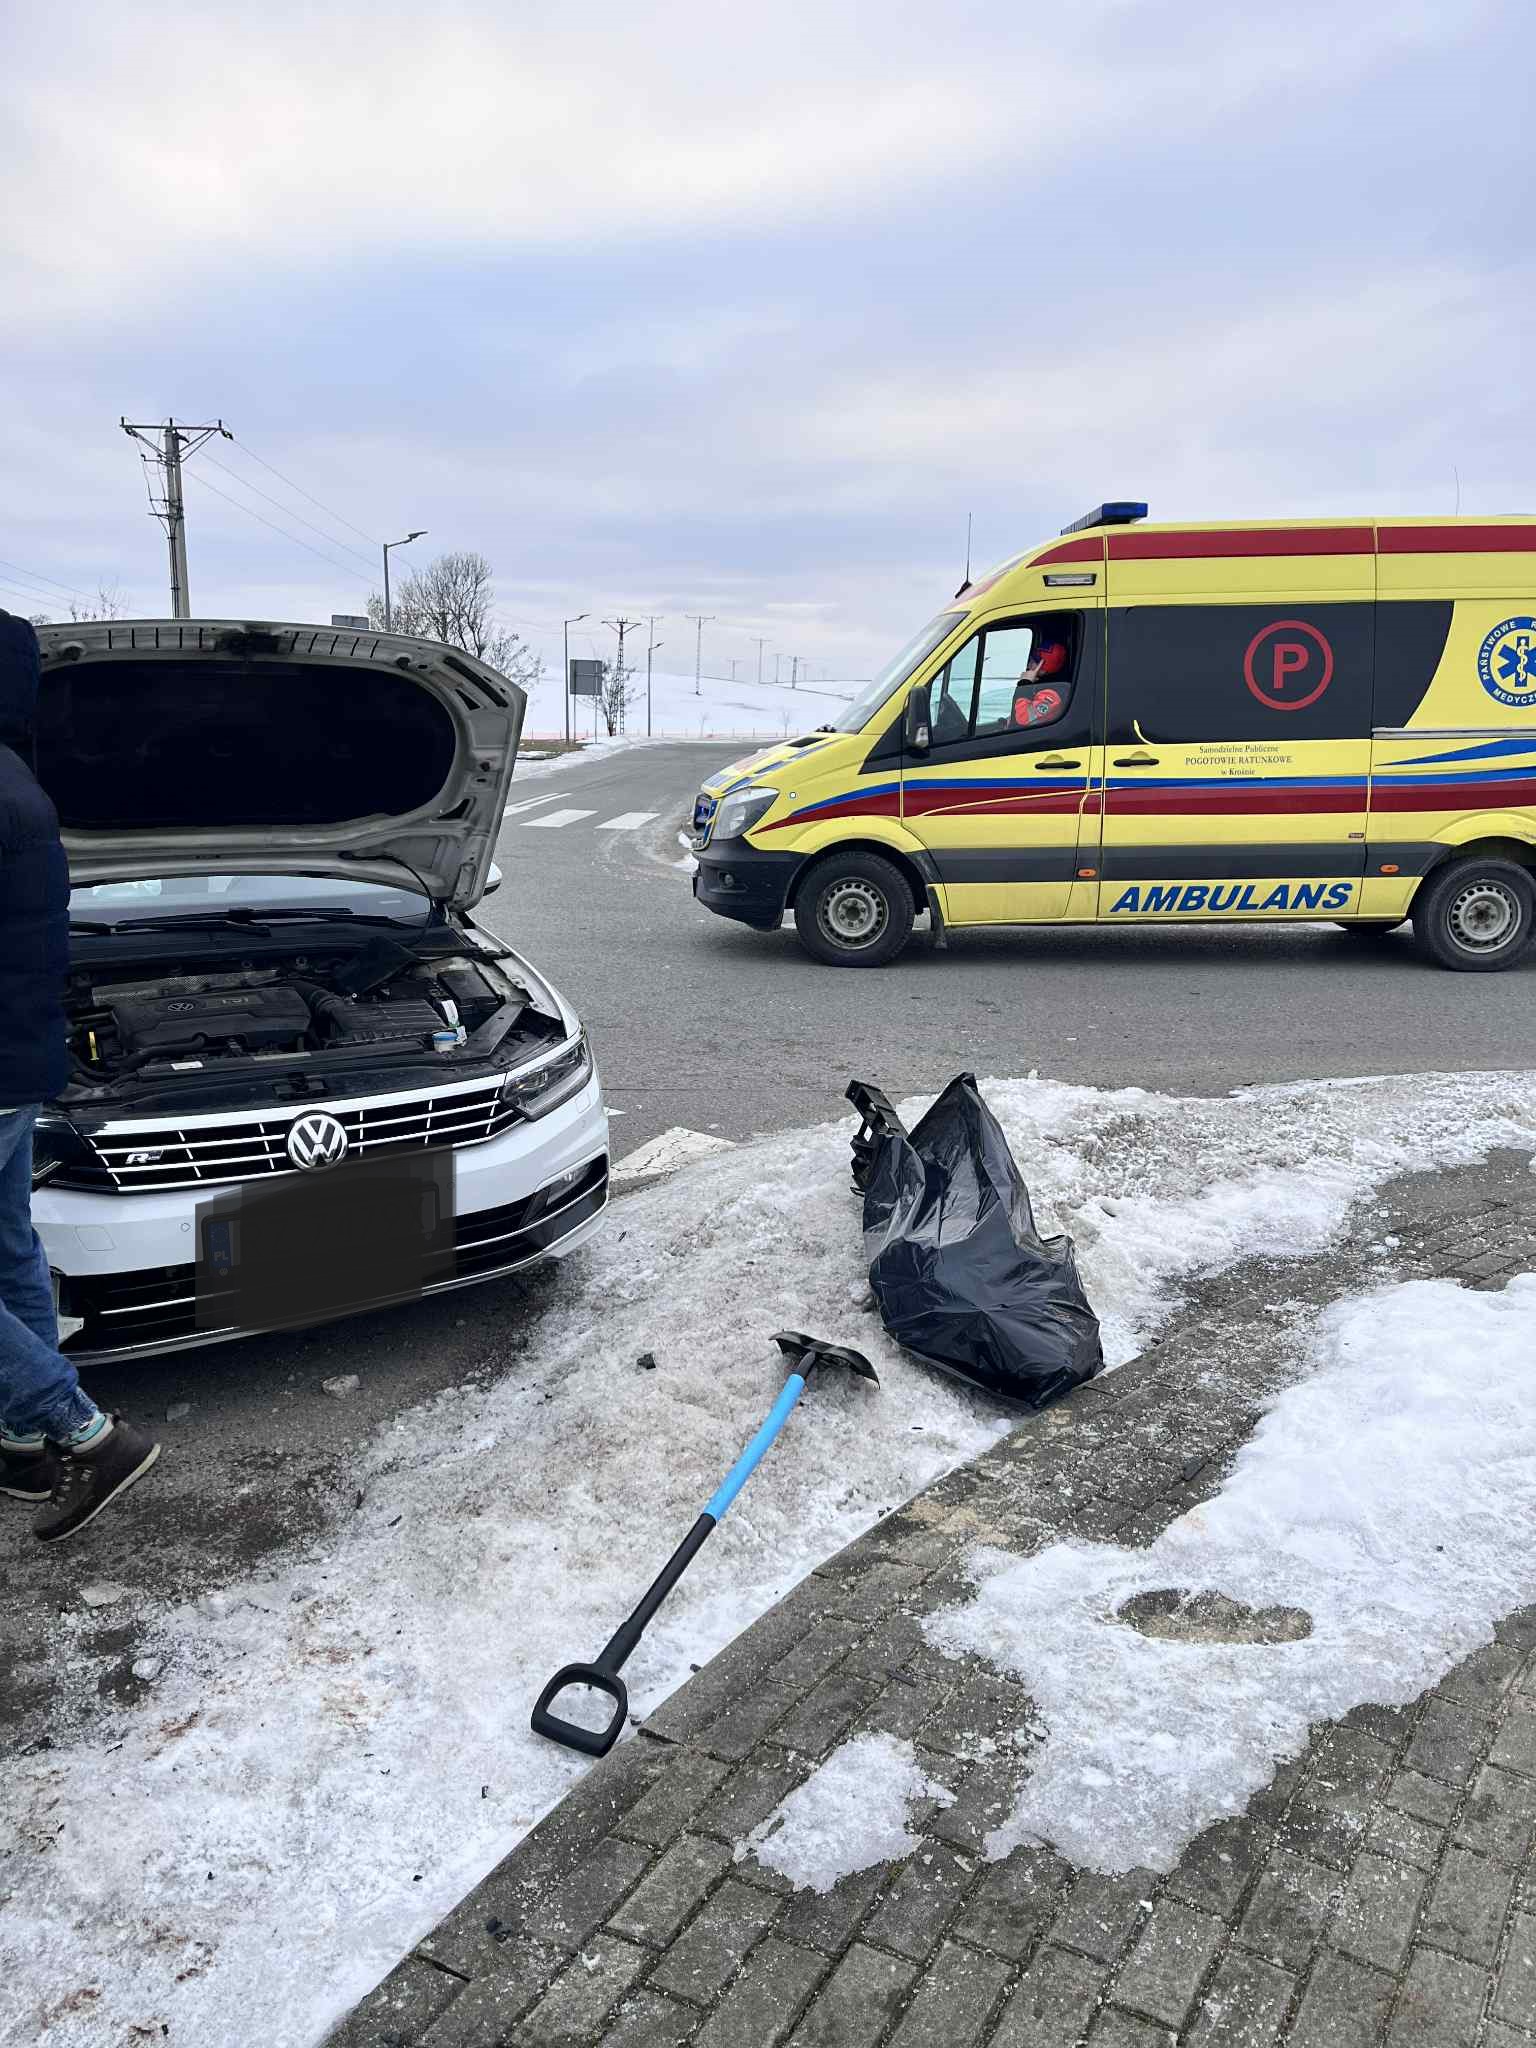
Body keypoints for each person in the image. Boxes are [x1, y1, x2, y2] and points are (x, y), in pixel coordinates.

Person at [0, 609, 160, 1542]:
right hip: (21, 1061)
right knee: (10, 1249)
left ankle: (86, 1435)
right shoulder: (24, 785)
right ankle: (22, 1444)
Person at [1013, 629, 1069, 728]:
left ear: (1042, 666)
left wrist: (1024, 683)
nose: (1029, 663)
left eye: (1033, 660)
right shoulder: (1041, 684)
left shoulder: (1051, 694)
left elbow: (1023, 718)